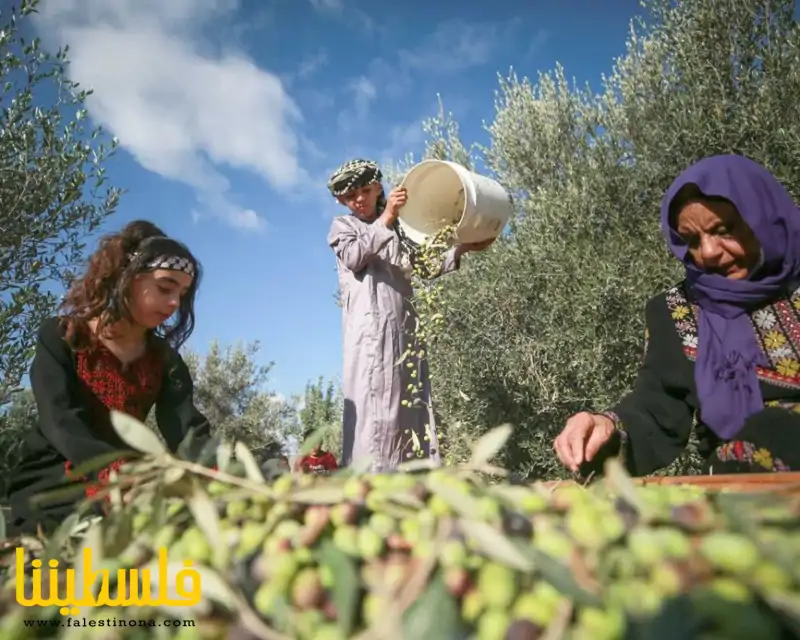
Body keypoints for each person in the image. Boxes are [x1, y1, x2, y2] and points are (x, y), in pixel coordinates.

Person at [554, 154, 800, 477]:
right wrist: (606, 425)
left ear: (762, 217)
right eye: (692, 240)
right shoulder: (677, 311)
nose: (708, 252)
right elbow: (656, 407)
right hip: (744, 483)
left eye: (723, 229)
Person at [6, 220, 213, 537]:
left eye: (182, 293)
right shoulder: (61, 337)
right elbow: (60, 420)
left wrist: (220, 477)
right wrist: (118, 474)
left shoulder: (166, 362)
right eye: (164, 287)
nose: (174, 303)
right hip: (52, 482)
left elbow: (188, 432)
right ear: (126, 278)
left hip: (129, 485)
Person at [326, 159, 494, 472]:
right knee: (374, 410)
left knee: (411, 409)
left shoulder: (401, 230)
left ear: (378, 187)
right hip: (368, 338)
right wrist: (387, 218)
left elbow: (422, 267)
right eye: (351, 196)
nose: (359, 199)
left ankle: (416, 484)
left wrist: (463, 249)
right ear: (340, 201)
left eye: (365, 190)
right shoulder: (344, 227)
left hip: (405, 335)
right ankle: (372, 487)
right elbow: (353, 257)